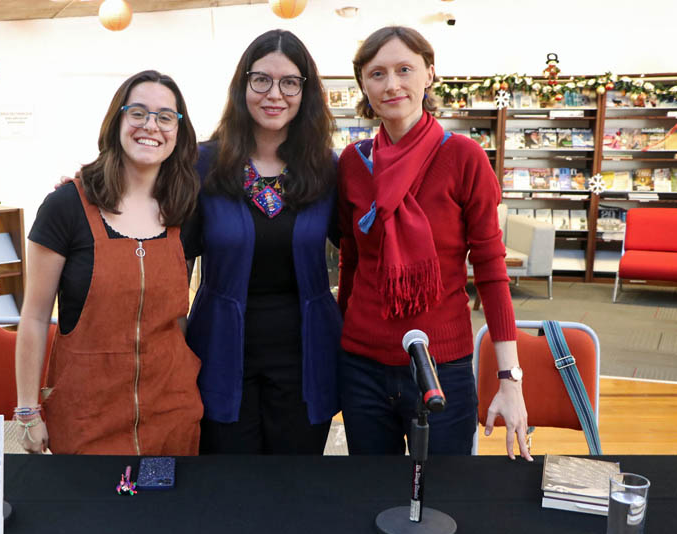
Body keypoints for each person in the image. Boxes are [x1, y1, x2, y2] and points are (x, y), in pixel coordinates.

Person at [336, 26, 532, 460]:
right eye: (377, 74)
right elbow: (351, 260)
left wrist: (510, 381)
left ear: (428, 75)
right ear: (363, 85)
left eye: (404, 70)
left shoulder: (464, 157)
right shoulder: (353, 163)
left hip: (443, 364)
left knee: (447, 499)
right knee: (371, 495)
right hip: (362, 365)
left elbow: (491, 272)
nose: (392, 85)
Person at [14, 70, 203, 455]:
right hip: (87, 418)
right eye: (138, 112)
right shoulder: (65, 208)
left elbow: (176, 318)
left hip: (172, 415)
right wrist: (28, 412)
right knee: (95, 515)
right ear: (117, 119)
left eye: (166, 117)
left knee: (165, 515)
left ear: (178, 132)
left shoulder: (186, 210)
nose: (151, 125)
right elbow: (34, 317)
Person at [185, 30, 341, 455]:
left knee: (294, 487)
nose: (275, 94)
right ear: (243, 85)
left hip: (306, 355)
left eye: (289, 82)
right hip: (220, 350)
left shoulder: (326, 168)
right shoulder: (203, 164)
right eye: (262, 80)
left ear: (305, 92)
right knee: (228, 487)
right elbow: (167, 247)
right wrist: (87, 192)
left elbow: (367, 244)